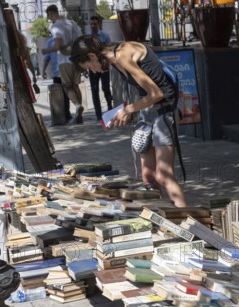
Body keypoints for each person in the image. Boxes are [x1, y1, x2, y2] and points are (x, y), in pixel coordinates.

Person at [70, 35, 187, 207]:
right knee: (148, 177)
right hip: (148, 113)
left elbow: (156, 94)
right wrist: (124, 113)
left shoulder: (122, 55)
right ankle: (165, 219)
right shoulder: (114, 60)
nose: (93, 72)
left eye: (89, 67)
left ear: (93, 56)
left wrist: (128, 110)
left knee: (164, 176)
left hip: (165, 110)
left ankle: (190, 222)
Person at [42, 5, 84, 124]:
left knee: (67, 86)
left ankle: (77, 106)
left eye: (48, 15)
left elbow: (58, 46)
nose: (49, 18)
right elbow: (80, 39)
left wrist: (47, 50)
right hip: (76, 59)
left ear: (51, 13)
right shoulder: (71, 23)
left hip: (64, 60)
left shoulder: (55, 26)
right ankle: (78, 113)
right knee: (76, 86)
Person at [88, 15, 113, 121]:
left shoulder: (105, 35)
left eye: (95, 24)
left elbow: (109, 49)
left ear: (99, 24)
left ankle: (109, 106)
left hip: (103, 65)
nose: (93, 26)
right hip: (93, 67)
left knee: (105, 88)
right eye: (91, 24)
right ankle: (98, 114)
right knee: (94, 90)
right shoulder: (87, 37)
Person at [42, 36, 72, 123]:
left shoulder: (65, 40)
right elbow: (47, 58)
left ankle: (67, 115)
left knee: (67, 94)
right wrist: (43, 70)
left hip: (66, 71)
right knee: (58, 95)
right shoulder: (50, 42)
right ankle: (60, 116)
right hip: (56, 73)